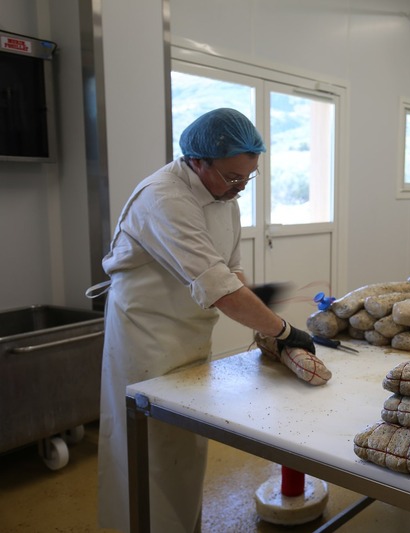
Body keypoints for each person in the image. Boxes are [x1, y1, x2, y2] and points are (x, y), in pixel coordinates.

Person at [94, 108, 316, 532]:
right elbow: (217, 286)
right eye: (233, 177)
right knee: (147, 451)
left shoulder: (223, 198)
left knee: (184, 447)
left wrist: (258, 309)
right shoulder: (164, 198)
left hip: (191, 335)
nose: (240, 187)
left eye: (248, 178)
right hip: (146, 336)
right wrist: (282, 330)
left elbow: (230, 271)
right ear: (198, 161)